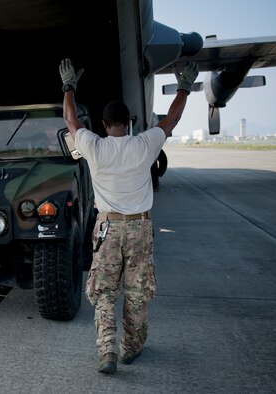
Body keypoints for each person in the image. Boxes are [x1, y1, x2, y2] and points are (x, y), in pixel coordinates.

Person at [59, 58, 198, 374]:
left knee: (104, 291)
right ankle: (129, 348)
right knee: (136, 292)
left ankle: (106, 350)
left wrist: (69, 86)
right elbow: (171, 120)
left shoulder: (94, 146)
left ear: (104, 125)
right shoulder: (144, 144)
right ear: (129, 122)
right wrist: (184, 88)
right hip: (139, 228)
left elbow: (70, 121)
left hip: (107, 228)